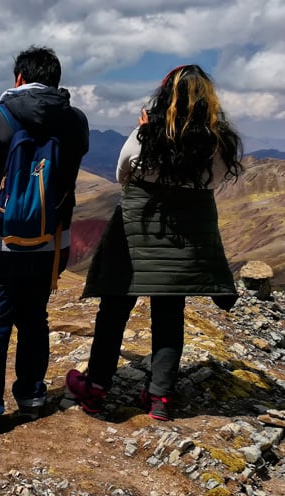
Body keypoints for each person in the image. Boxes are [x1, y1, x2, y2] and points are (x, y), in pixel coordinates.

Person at [65, 64, 243, 421]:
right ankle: (160, 397)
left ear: (165, 97)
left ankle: (96, 387)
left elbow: (121, 174)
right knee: (169, 312)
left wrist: (146, 132)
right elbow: (216, 182)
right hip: (186, 237)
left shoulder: (146, 135)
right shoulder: (220, 143)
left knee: (114, 310)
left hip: (134, 233)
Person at [0, 46, 89, 436]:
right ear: (56, 81)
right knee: (34, 320)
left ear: (18, 78)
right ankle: (30, 397)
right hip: (51, 244)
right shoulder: (75, 121)